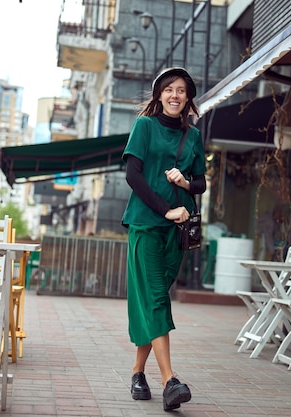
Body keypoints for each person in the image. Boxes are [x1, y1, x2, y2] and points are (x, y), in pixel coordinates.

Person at [121, 67, 206, 411]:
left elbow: (199, 183)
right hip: (146, 225)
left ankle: (137, 372)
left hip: (178, 233)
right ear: (159, 94)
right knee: (157, 298)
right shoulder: (144, 126)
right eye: (169, 89)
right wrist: (165, 210)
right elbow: (133, 176)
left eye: (181, 91)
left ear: (188, 99)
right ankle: (170, 380)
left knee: (153, 299)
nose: (175, 95)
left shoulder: (194, 136)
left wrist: (185, 185)